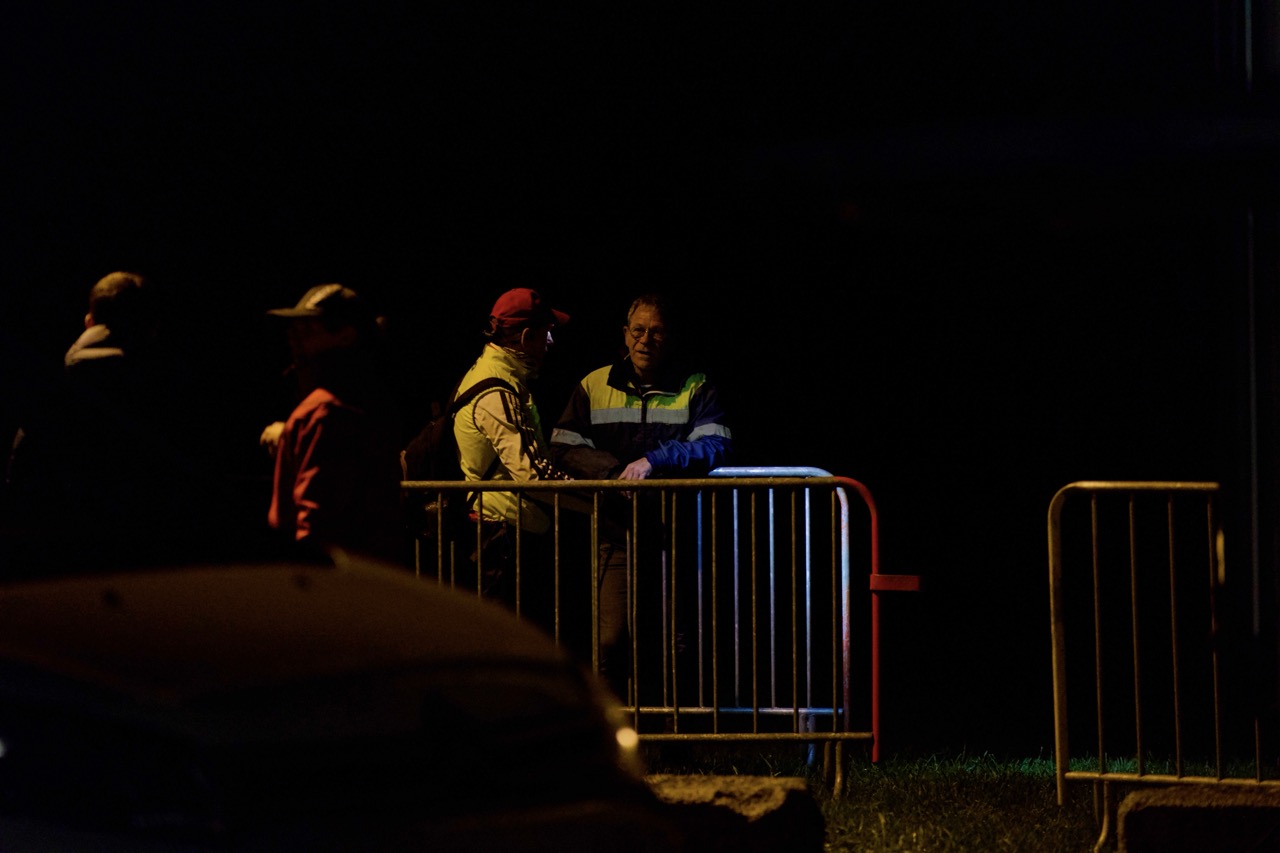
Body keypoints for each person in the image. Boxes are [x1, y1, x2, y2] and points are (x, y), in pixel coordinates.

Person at [550, 292, 734, 701]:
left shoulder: (694, 385)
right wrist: (613, 472)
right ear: (624, 334)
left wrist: (654, 460)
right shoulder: (594, 384)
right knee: (611, 642)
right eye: (638, 330)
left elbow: (716, 445)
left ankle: (675, 735)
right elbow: (562, 446)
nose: (645, 340)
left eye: (656, 331)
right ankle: (617, 733)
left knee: (677, 644)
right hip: (617, 533)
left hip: (676, 537)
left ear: (669, 337)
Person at [2, 271, 213, 572]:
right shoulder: (175, 404)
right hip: (146, 572)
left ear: (89, 322)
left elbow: (20, 496)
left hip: (60, 573)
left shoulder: (45, 397)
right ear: (154, 328)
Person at [451, 287, 585, 620]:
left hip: (502, 529)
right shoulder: (496, 390)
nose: (550, 341)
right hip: (501, 534)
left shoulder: (494, 376)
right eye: (546, 332)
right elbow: (532, 474)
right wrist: (597, 502)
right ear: (526, 337)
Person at [263, 283, 405, 564]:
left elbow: (315, 522)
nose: (293, 337)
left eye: (308, 329)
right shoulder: (369, 398)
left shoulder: (324, 412)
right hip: (368, 569)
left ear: (345, 335)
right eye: (295, 328)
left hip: (322, 574)